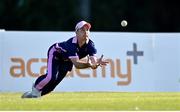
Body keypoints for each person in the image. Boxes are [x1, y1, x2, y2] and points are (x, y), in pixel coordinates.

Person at [21, 20, 109, 98]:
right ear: (76, 32)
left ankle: (34, 96)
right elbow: (77, 64)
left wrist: (95, 64)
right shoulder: (71, 44)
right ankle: (35, 88)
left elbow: (93, 61)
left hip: (67, 60)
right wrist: (88, 64)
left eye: (87, 30)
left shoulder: (91, 45)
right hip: (55, 53)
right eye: (82, 30)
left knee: (52, 86)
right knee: (51, 77)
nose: (85, 32)